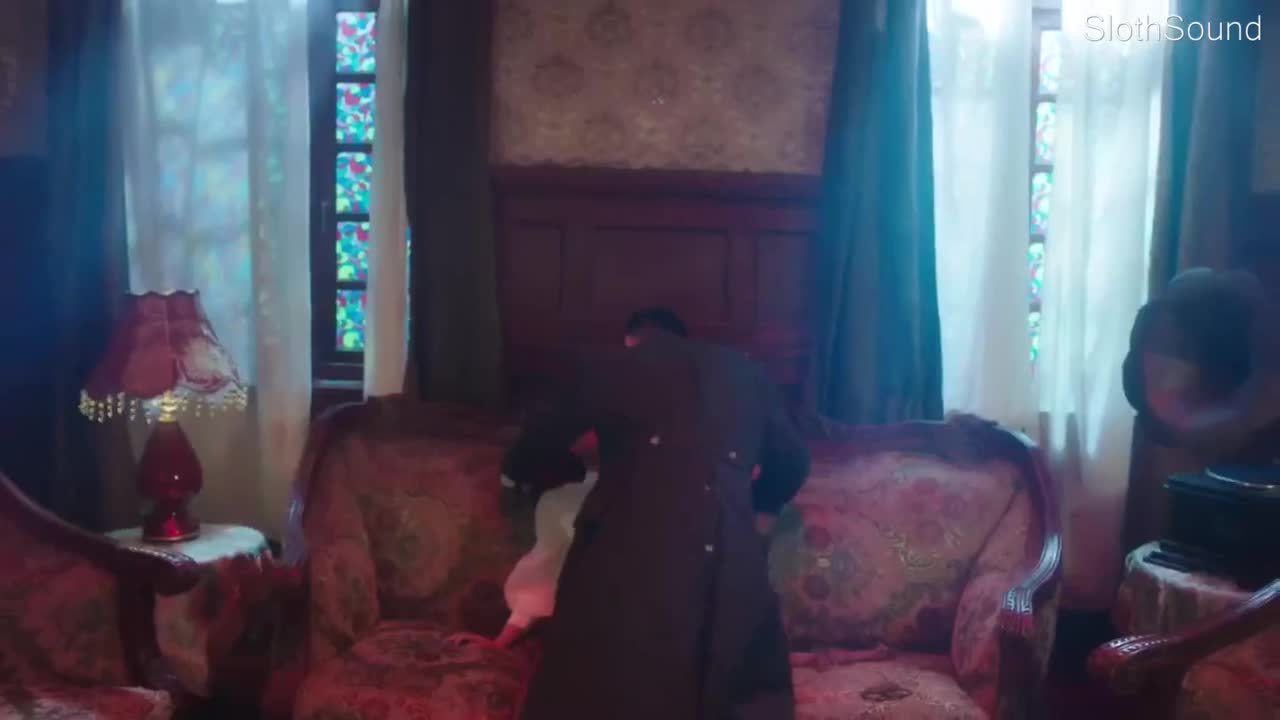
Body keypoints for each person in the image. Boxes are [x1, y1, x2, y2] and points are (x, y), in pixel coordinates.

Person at [502, 306, 810, 720]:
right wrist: (756, 508)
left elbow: (528, 453)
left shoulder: (609, 367)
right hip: (730, 575)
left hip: (623, 576)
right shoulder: (748, 373)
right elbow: (793, 463)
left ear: (632, 342)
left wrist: (571, 469)